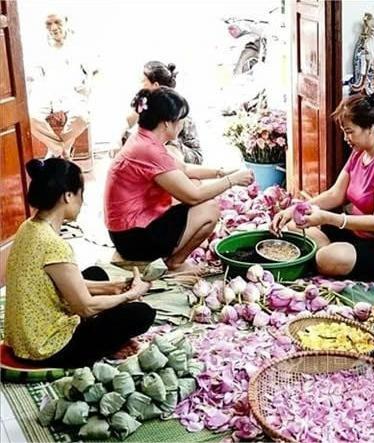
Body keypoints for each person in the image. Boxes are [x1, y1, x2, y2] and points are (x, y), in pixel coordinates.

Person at [4, 158, 155, 368]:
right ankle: (105, 346)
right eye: (80, 194)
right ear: (67, 195)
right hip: (47, 350)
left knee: (96, 273)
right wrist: (130, 295)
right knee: (141, 314)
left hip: (23, 341)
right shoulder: (53, 245)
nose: (82, 201)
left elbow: (60, 283)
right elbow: (85, 307)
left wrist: (113, 287)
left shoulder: (29, 227)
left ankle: (107, 338)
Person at [271, 93, 374, 280]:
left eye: (349, 131)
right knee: (292, 225)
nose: (346, 138)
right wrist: (295, 209)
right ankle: (326, 256)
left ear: (370, 128)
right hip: (356, 233)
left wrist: (329, 218)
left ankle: (326, 257)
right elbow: (335, 194)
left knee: (328, 256)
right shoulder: (359, 153)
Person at [105, 87, 253, 272]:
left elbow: (183, 169)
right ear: (167, 123)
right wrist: (232, 180)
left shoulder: (144, 138)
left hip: (129, 228)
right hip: (133, 239)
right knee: (209, 208)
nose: (184, 123)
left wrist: (221, 173)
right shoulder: (148, 150)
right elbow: (193, 197)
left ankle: (171, 256)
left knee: (196, 185)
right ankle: (175, 262)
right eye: (181, 119)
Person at [27, 13, 97, 159]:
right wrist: (53, 101)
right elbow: (36, 77)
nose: (53, 27)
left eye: (57, 22)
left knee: (82, 117)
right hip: (46, 92)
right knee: (29, 117)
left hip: (71, 93)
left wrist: (87, 89)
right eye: (48, 24)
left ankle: (57, 151)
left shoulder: (79, 46)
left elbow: (92, 72)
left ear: (65, 21)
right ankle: (61, 150)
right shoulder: (38, 48)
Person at [121, 61, 203, 165]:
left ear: (155, 85)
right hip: (161, 152)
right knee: (130, 139)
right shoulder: (145, 103)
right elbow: (128, 121)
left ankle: (176, 177)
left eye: (142, 81)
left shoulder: (174, 106)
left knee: (164, 141)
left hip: (187, 156)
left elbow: (169, 141)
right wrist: (117, 141)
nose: (139, 85)